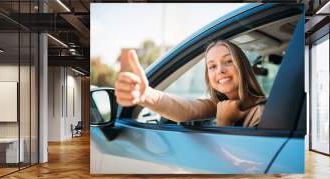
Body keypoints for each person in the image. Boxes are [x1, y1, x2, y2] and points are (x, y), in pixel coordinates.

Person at [114, 40, 266, 127]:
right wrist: (145, 94)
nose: (220, 70)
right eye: (212, 66)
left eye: (228, 61)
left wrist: (224, 121)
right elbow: (187, 110)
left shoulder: (261, 112)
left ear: (243, 66)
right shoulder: (218, 104)